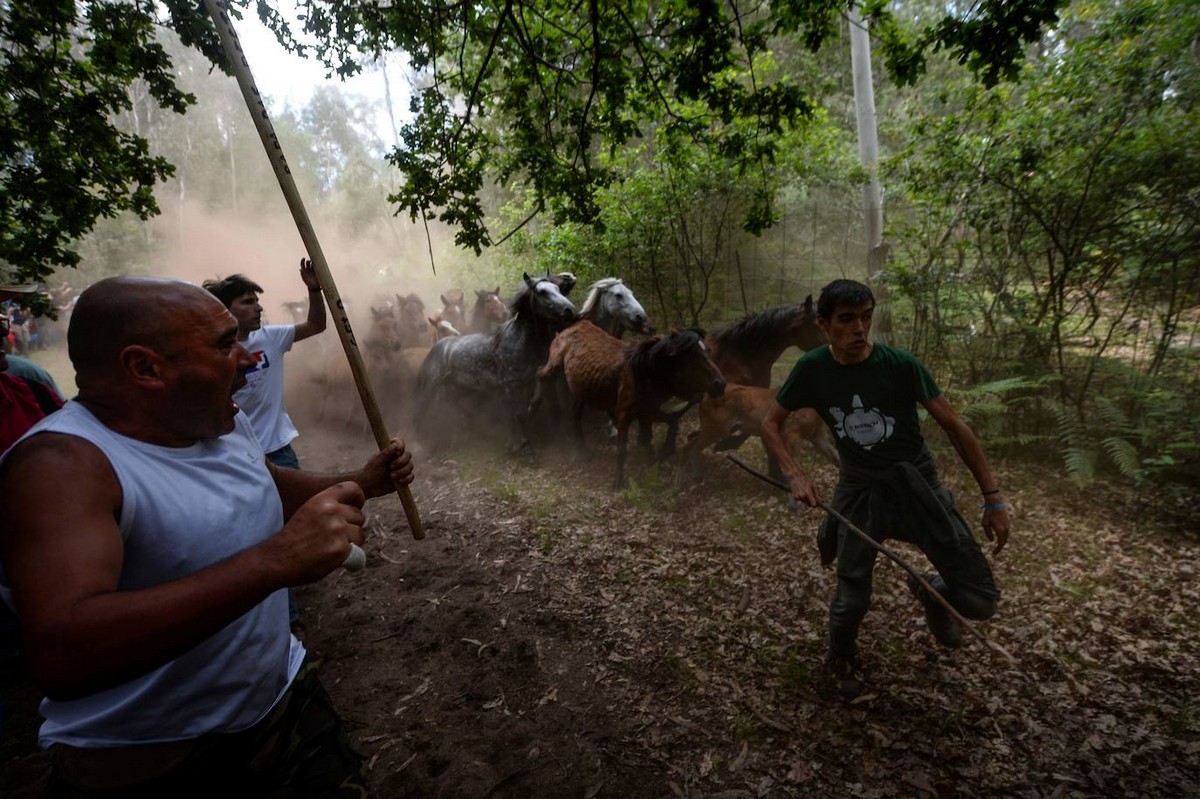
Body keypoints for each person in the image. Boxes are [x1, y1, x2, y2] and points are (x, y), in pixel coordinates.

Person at [0, 276, 415, 796]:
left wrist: (361, 481)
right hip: (152, 758)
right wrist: (276, 562)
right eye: (225, 345)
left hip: (282, 701)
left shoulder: (220, 418)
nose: (247, 359)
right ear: (145, 367)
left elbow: (264, 483)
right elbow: (66, 655)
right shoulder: (61, 468)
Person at [760, 279, 1011, 698]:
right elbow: (771, 423)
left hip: (917, 485)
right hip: (860, 490)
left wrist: (993, 497)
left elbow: (955, 426)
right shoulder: (813, 369)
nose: (859, 329)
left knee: (980, 601)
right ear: (823, 324)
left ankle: (932, 591)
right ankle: (840, 657)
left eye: (866, 318)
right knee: (851, 595)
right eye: (847, 320)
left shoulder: (901, 365)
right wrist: (795, 473)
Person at [202, 259, 326, 470]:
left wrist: (314, 289)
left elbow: (316, 325)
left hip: (278, 449)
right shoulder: (207, 350)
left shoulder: (271, 337)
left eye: (257, 301)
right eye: (248, 302)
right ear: (224, 309)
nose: (259, 308)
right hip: (233, 452)